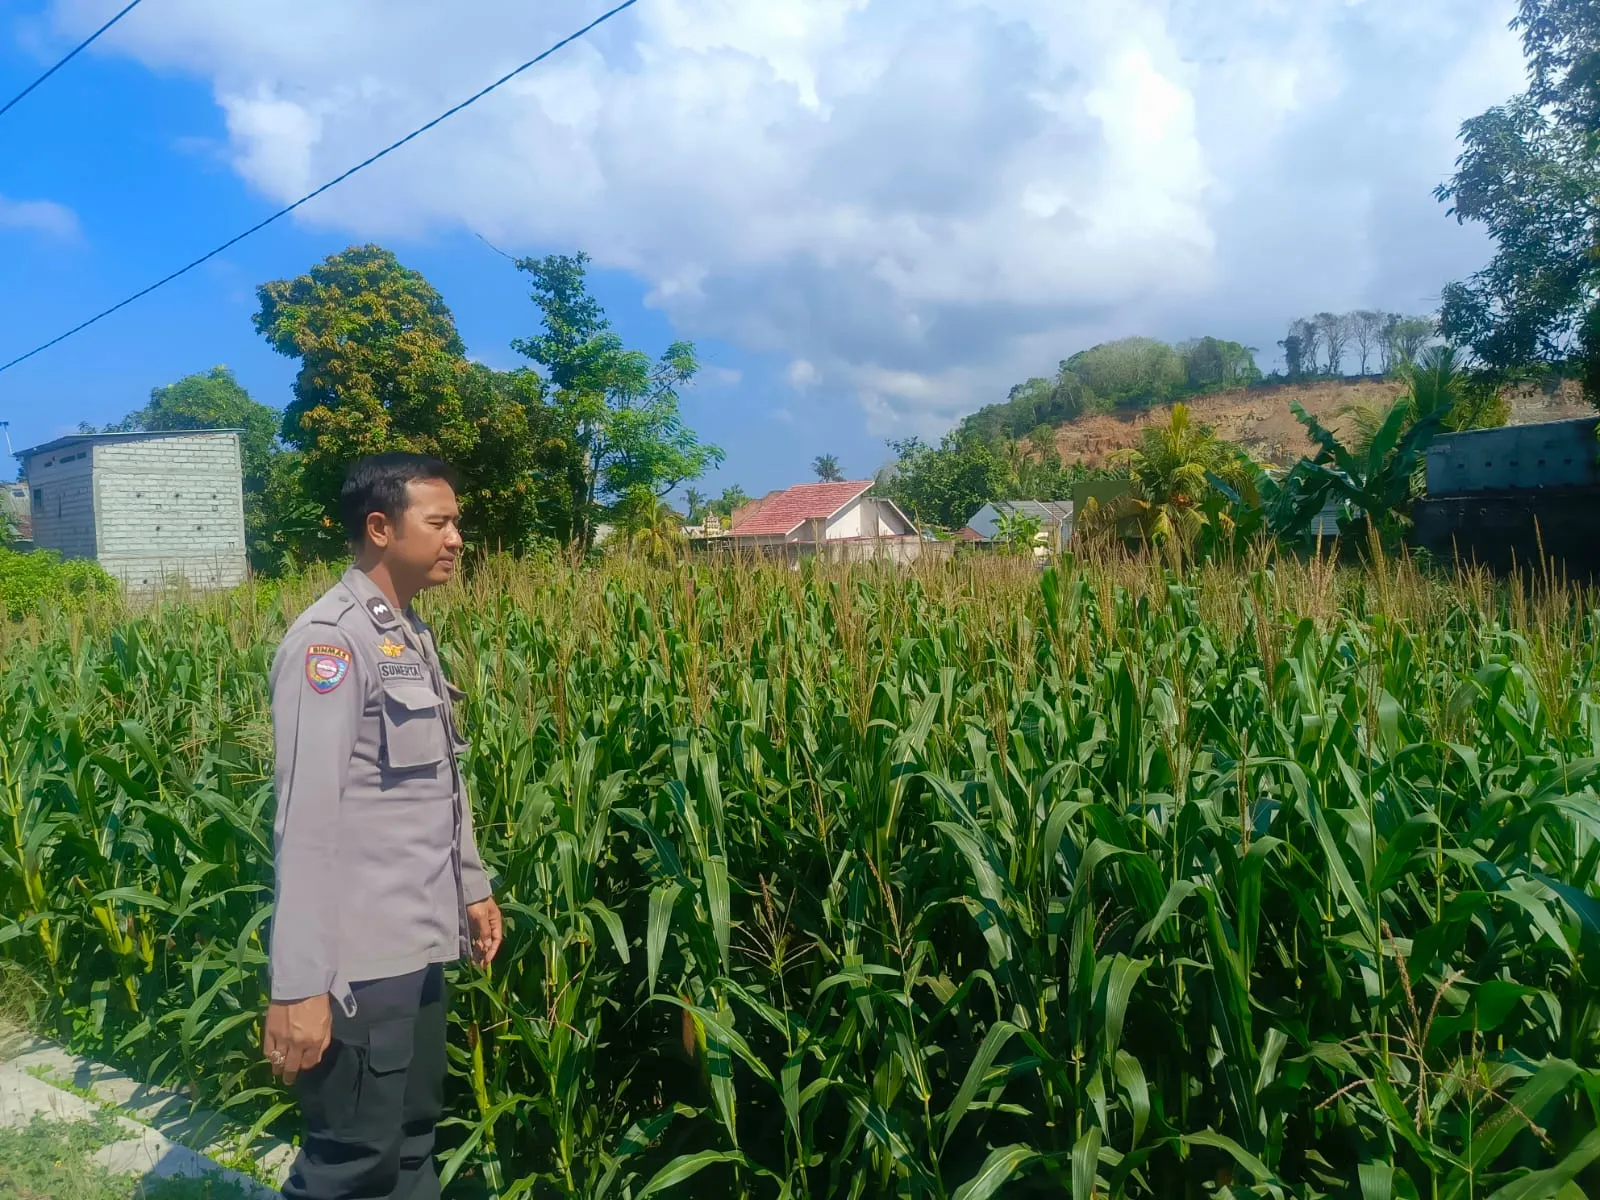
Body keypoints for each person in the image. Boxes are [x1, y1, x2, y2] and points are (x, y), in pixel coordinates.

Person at [262, 452, 503, 1200]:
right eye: (439, 522)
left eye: (456, 521)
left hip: (418, 946)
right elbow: (306, 823)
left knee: (410, 1147)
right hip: (357, 967)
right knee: (351, 1161)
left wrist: (473, 886)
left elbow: (437, 786)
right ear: (379, 528)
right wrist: (299, 986)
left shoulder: (407, 635)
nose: (457, 537)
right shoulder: (330, 644)